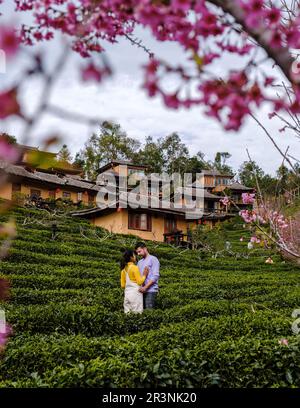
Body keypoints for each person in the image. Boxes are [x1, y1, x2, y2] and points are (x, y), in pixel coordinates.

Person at [120, 249, 149, 313]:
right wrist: (144, 275)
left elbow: (123, 285)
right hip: (135, 294)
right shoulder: (134, 267)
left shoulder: (123, 270)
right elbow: (139, 282)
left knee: (127, 313)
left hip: (127, 295)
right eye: (134, 255)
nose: (135, 256)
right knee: (137, 313)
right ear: (131, 257)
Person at [135, 242, 160, 309]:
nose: (138, 254)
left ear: (145, 248)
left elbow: (155, 276)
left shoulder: (153, 259)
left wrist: (145, 287)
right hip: (141, 291)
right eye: (137, 252)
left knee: (149, 312)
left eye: (139, 251)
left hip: (150, 290)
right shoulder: (139, 262)